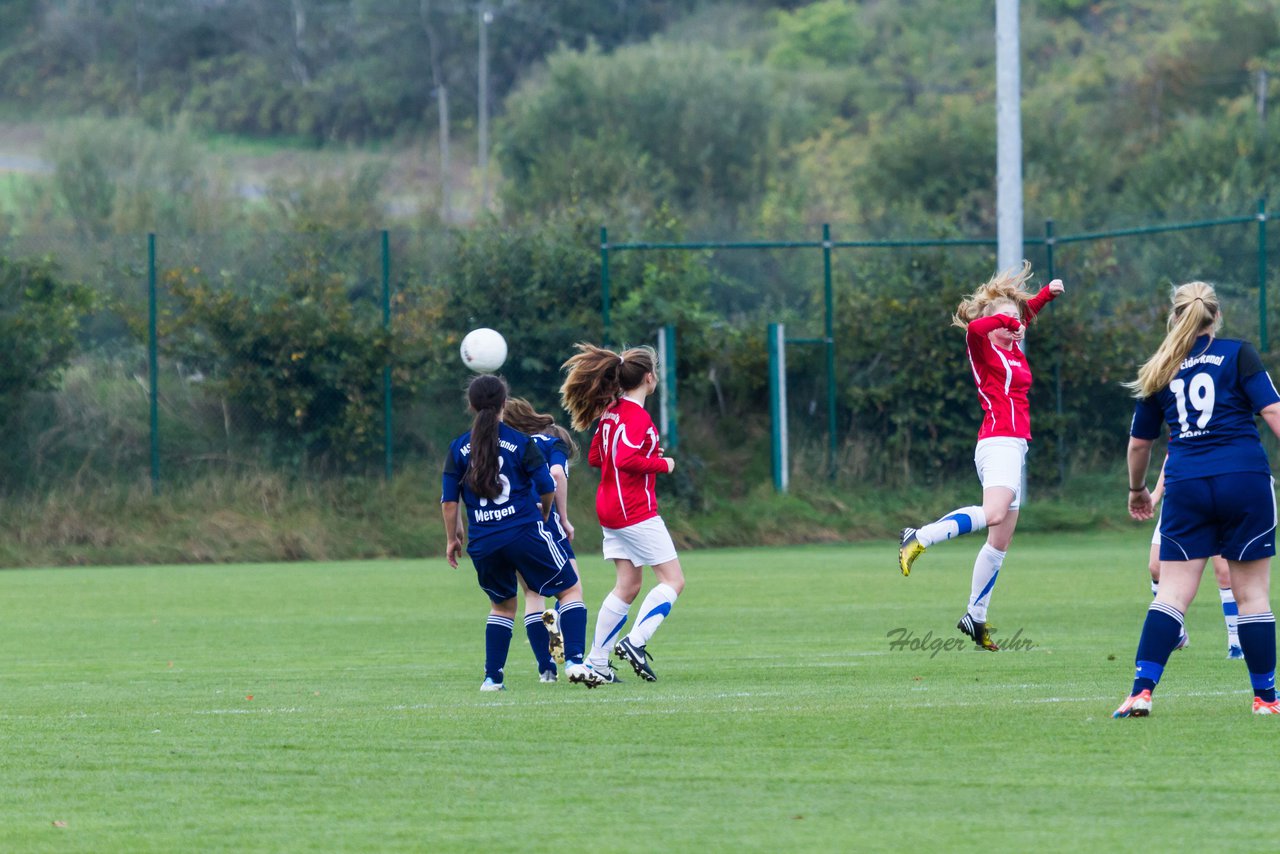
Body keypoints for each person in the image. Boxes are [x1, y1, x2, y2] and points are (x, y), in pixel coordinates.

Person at [1114, 281, 1280, 718]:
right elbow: (1273, 412)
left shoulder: (1160, 367)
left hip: (1187, 486)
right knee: (1253, 596)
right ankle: (1265, 698)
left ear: (1175, 316)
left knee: (1170, 595)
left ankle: (1141, 691)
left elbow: (1139, 445)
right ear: (1216, 316)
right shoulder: (1239, 353)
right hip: (1244, 479)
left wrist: (1138, 491)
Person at [897, 262, 1064, 651]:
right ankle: (918, 536)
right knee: (992, 514)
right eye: (1004, 320)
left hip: (1015, 445)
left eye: (1015, 319)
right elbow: (976, 328)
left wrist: (1043, 298)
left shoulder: (1013, 349)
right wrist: (1002, 321)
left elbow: (1022, 316)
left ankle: (975, 615)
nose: (1014, 323)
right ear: (993, 324)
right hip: (998, 441)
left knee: (999, 540)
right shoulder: (984, 348)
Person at [441, 374, 601, 690]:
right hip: (524, 532)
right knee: (569, 590)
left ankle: (492, 678)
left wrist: (453, 536)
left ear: (471, 406)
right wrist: (543, 513)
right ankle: (574, 661)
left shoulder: (458, 448)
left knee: (502, 606)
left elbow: (448, 501)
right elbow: (546, 485)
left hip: (484, 542)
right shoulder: (521, 442)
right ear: (504, 404)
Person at [560, 343, 683, 682]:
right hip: (634, 509)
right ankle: (635, 642)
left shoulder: (611, 413)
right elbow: (626, 460)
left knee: (628, 584)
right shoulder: (635, 415)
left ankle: (596, 663)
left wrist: (642, 454)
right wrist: (663, 464)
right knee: (673, 581)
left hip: (610, 507)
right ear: (648, 377)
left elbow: (598, 458)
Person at [502, 396, 623, 683]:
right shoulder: (550, 442)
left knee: (533, 594)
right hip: (545, 521)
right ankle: (574, 659)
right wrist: (564, 518)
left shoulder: (510, 446)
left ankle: (546, 666)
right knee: (572, 589)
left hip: (510, 523)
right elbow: (556, 473)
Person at [1146, 462, 1242, 658]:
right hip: (1179, 499)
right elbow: (1171, 455)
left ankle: (1236, 643)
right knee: (1156, 567)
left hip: (1217, 497)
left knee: (1224, 572)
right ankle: (1177, 633)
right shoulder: (1180, 433)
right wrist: (1156, 494)